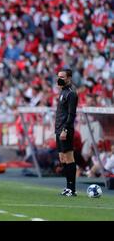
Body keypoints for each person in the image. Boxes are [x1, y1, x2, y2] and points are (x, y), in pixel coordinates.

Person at [55, 68, 79, 196]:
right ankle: (68, 187)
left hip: (65, 130)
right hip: (58, 129)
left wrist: (65, 129)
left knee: (69, 157)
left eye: (62, 77)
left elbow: (71, 114)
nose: (59, 79)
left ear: (69, 78)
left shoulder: (71, 94)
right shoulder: (62, 92)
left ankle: (72, 188)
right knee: (62, 157)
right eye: (59, 76)